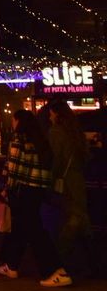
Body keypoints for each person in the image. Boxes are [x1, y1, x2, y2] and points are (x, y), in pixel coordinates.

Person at [0, 110, 70, 287]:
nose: (12, 124)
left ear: (18, 122)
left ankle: (54, 270)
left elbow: (14, 168)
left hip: (22, 190)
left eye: (13, 120)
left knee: (34, 230)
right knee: (22, 227)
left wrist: (7, 189)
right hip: (38, 189)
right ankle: (11, 265)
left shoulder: (19, 139)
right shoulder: (40, 140)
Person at [45, 100, 97, 278]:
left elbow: (55, 160)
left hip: (66, 183)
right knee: (81, 220)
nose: (50, 117)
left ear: (57, 114)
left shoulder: (56, 132)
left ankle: (59, 263)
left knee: (72, 222)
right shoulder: (76, 132)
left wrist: (50, 181)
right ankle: (93, 264)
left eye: (51, 114)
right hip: (77, 181)